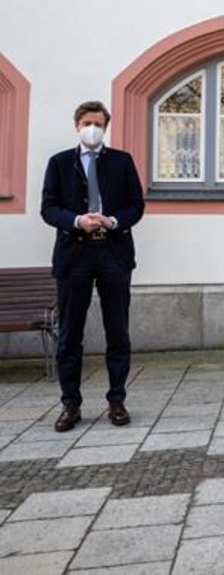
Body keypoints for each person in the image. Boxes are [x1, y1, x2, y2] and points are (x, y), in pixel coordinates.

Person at [41, 100, 145, 433]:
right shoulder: (59, 163)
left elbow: (136, 205)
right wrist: (76, 220)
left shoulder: (121, 161)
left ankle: (117, 400)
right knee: (70, 335)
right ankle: (70, 404)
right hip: (75, 255)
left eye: (98, 123)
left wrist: (113, 220)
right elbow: (48, 208)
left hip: (112, 253)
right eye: (87, 122)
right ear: (77, 125)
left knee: (118, 331)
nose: (92, 128)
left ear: (105, 126)